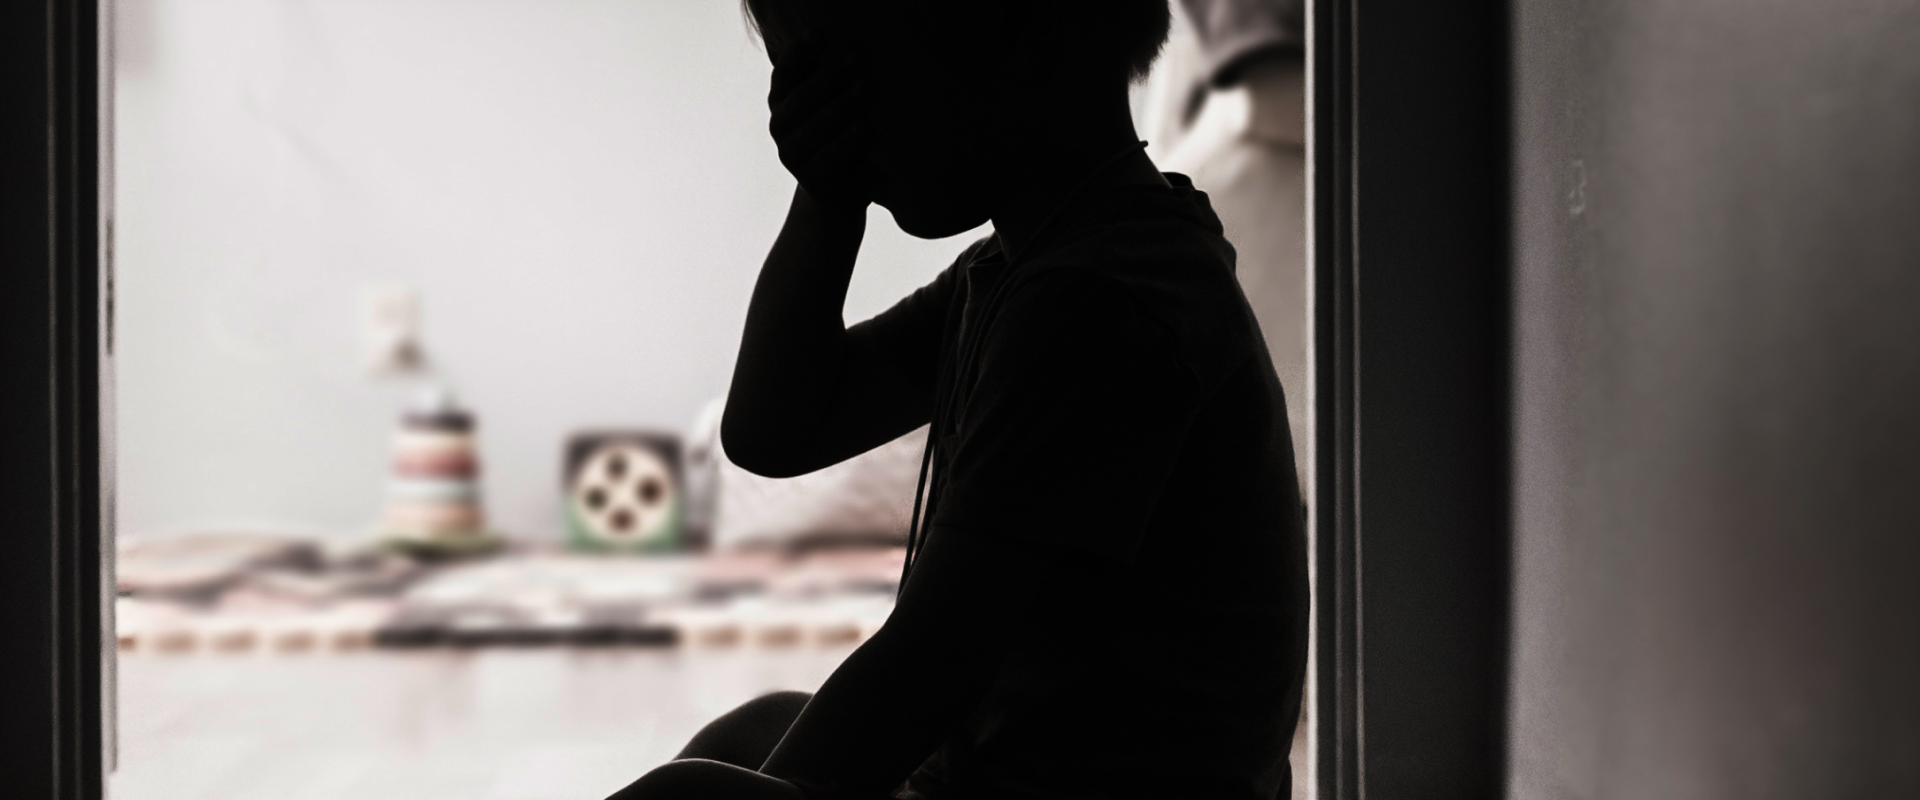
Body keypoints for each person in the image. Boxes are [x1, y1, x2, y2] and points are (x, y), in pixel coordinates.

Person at [606, 1, 1307, 798]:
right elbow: (776, 428)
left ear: (1025, 28)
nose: (829, 115)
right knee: (753, 733)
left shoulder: (1101, 302)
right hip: (1014, 770)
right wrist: (827, 195)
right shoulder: (1038, 263)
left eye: (844, 74)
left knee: (691, 794)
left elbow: (931, 663)